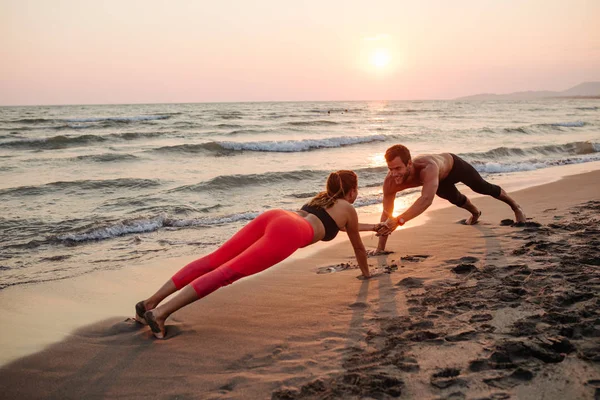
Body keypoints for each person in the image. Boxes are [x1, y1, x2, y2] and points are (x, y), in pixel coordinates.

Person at [135, 170, 384, 338]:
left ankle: (150, 302)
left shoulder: (321, 200)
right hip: (288, 233)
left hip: (276, 216)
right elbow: (358, 246)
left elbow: (337, 226)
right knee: (226, 274)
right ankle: (159, 314)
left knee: (213, 261)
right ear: (352, 191)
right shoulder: (349, 208)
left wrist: (374, 226)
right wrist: (366, 274)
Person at [373, 145, 526, 253]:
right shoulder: (390, 182)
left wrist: (399, 220)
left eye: (398, 168)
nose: (394, 174)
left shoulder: (427, 167)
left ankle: (515, 207)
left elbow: (426, 199)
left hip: (454, 167)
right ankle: (475, 213)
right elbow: (386, 214)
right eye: (390, 169)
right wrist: (380, 248)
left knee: (482, 187)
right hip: (439, 181)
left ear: (409, 164)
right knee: (455, 199)